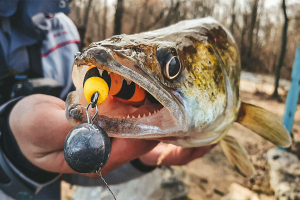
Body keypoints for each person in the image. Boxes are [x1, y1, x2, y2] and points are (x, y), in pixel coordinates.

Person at [0, 1, 215, 199]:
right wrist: (10, 152)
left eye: (173, 67)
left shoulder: (65, 30)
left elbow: (67, 166)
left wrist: (136, 160)